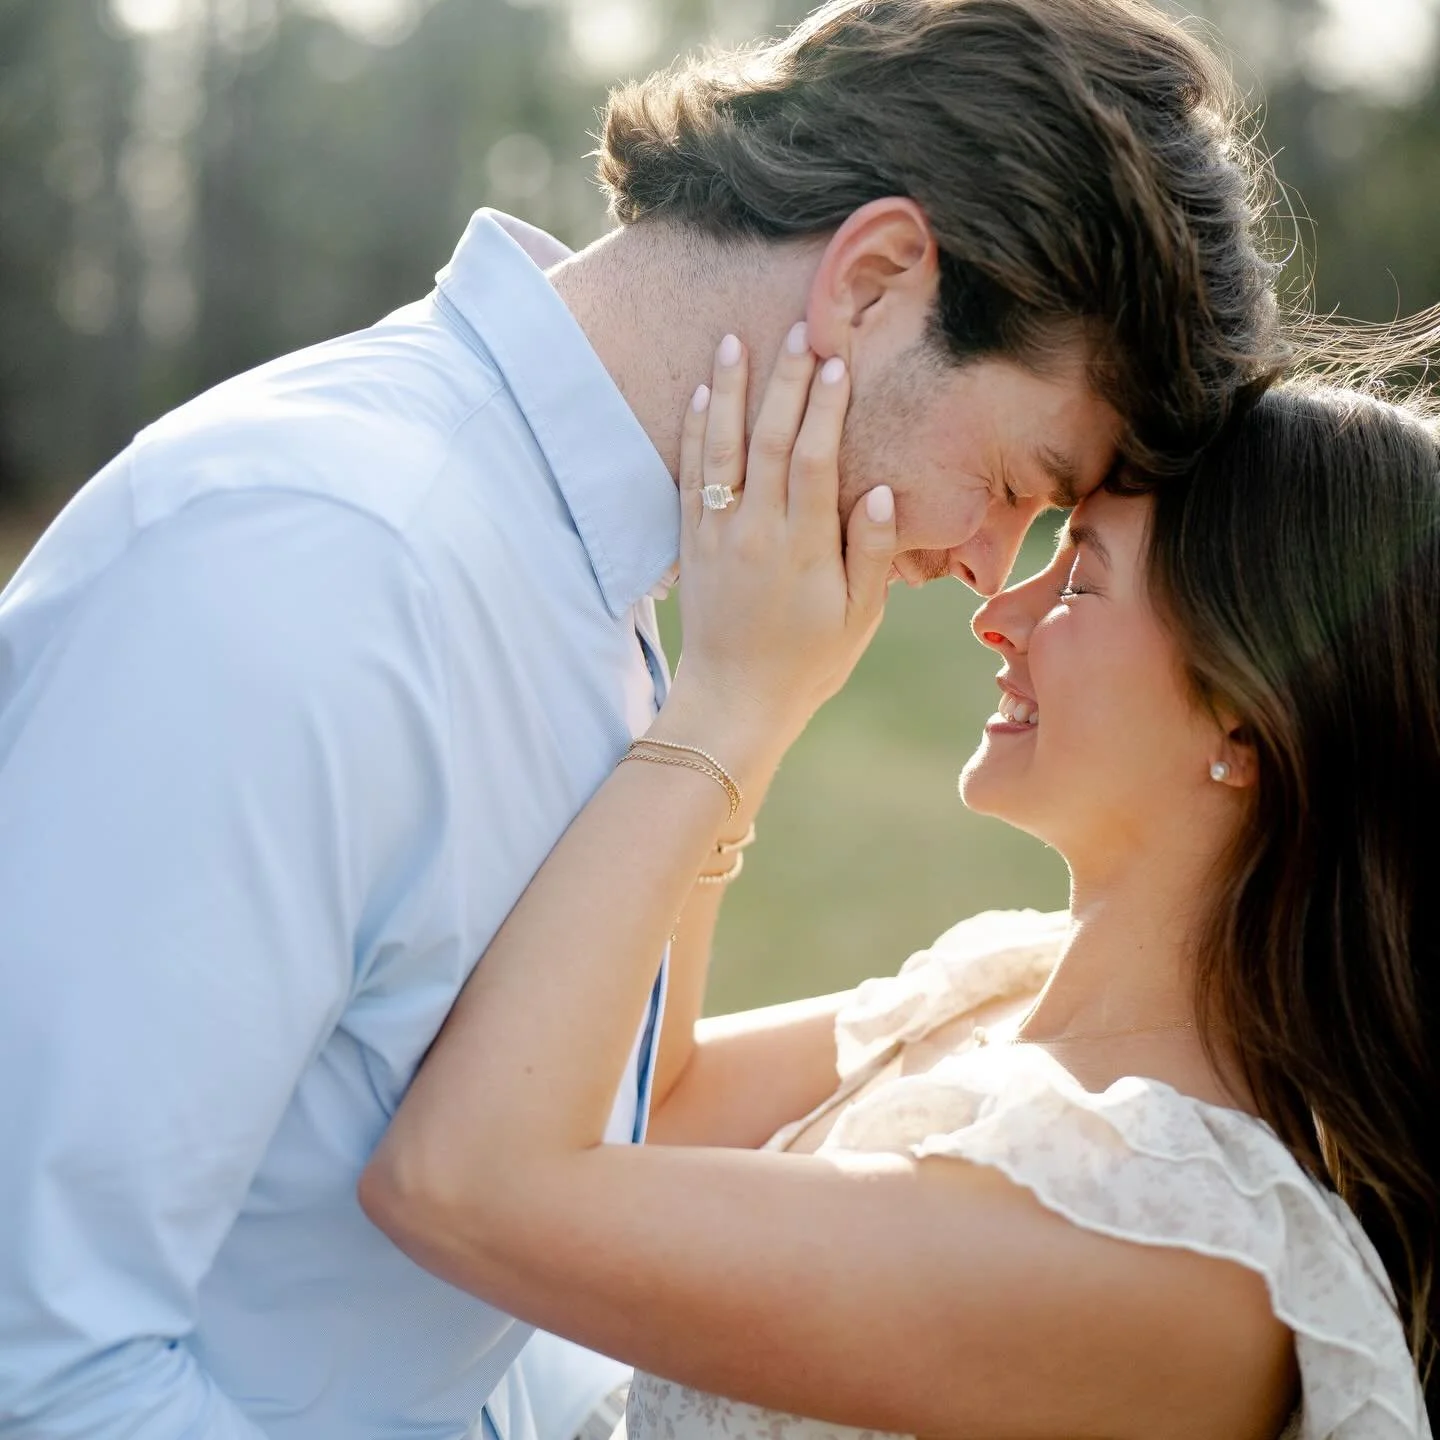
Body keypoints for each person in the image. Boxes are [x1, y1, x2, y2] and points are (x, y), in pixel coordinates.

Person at [0, 1, 1282, 1435]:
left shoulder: (591, 598)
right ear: (873, 280)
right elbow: (40, 1364)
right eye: (1016, 480)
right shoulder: (317, 566)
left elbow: (471, 1294)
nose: (987, 569)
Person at [359, 327, 1439, 1437]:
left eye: (1082, 579)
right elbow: (655, 1107)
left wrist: (727, 706)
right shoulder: (996, 986)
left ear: (1249, 722)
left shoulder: (1181, 1251)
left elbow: (458, 1184)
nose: (999, 613)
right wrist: (753, 714)